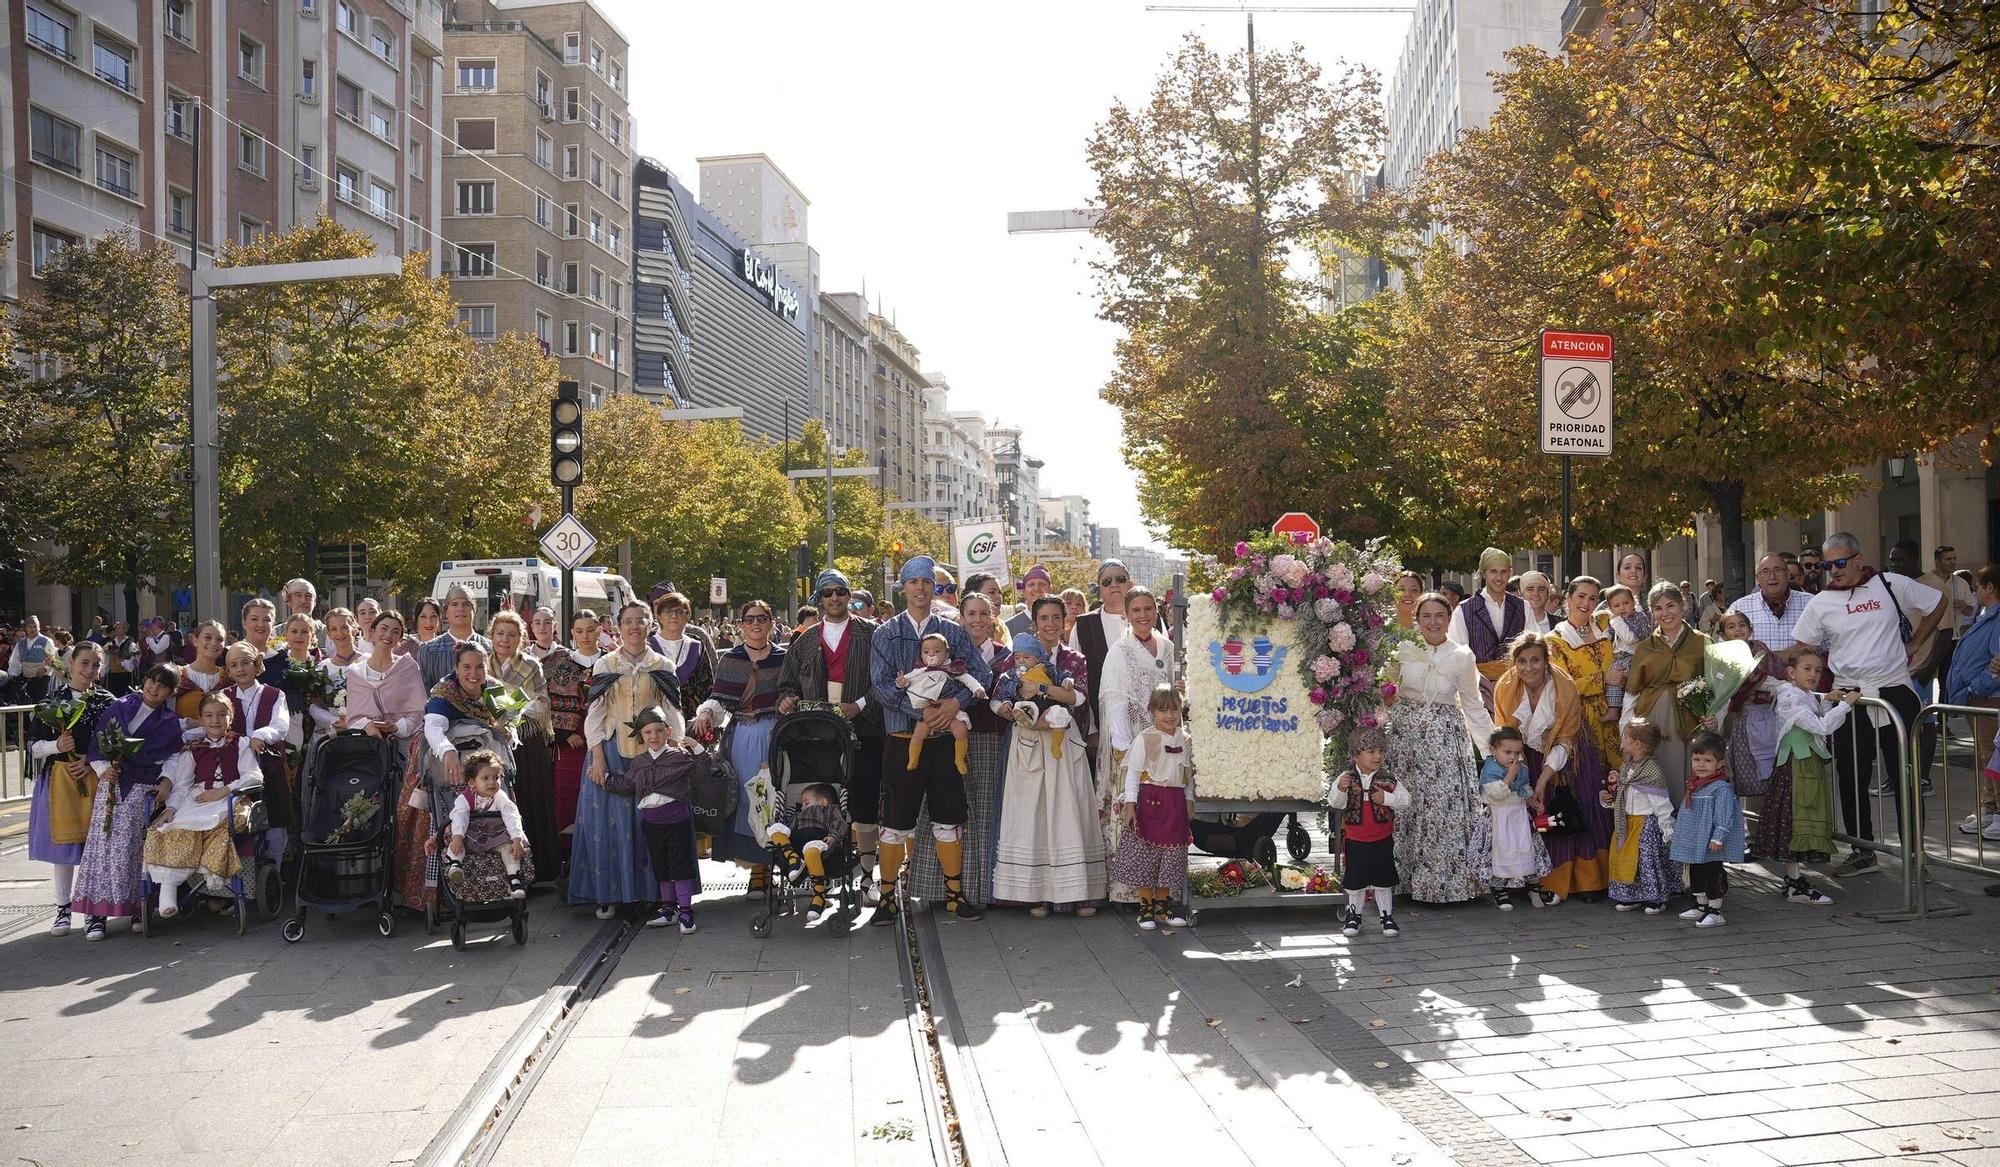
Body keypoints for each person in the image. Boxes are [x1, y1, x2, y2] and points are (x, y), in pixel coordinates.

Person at [1790, 532, 1947, 875]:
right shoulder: (1821, 602)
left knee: (1905, 776)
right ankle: (1863, 851)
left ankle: (1914, 856)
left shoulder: (1890, 584)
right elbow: (1803, 646)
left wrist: (1916, 643)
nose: (1834, 570)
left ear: (1859, 559)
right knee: (1850, 775)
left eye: (1840, 562)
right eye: (1828, 565)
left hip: (1894, 692)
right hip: (1850, 697)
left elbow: (1938, 603)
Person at [870, 555, 996, 923]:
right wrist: (921, 712)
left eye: (928, 582)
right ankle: (888, 897)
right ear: (903, 588)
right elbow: (880, 686)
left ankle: (955, 894)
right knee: (895, 821)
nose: (921, 588)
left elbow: (982, 674)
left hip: (944, 742)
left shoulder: (953, 631)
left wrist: (955, 702)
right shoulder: (885, 633)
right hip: (902, 735)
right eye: (913, 582)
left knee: (948, 815)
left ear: (935, 587)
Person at [778, 570, 887, 904]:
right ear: (819, 599)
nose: (835, 598)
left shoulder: (872, 634)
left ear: (849, 595)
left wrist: (861, 705)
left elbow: (884, 680)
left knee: (866, 802)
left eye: (842, 592)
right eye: (828, 593)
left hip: (866, 728)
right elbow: (787, 685)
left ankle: (868, 876)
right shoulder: (805, 640)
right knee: (829, 800)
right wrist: (787, 699)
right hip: (820, 735)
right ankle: (826, 868)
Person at [990, 595, 1102, 918]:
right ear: (1034, 622)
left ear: (1065, 620)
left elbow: (1078, 697)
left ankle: (1081, 892)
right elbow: (997, 698)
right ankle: (1036, 893)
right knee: (1033, 817)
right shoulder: (1017, 657)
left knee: (1069, 813)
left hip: (1064, 742)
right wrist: (1010, 710)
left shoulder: (1074, 659)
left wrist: (1040, 690)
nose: (1050, 624)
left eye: (1056, 617)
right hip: (1026, 741)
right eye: (1044, 618)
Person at [1384, 593, 1494, 904]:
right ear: (1416, 619)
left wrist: (1490, 750)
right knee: (1407, 805)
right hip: (1405, 741)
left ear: (1448, 620)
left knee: (1440, 809)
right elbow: (1385, 692)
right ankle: (1402, 881)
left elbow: (1473, 706)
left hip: (1445, 742)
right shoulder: (1401, 650)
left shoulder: (1462, 655)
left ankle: (1445, 885)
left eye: (1439, 616)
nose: (1433, 622)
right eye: (1426, 616)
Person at [909, 590, 1012, 915]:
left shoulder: (1003, 654)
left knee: (983, 811)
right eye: (971, 614)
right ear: (961, 618)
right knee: (943, 807)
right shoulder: (947, 656)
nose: (978, 620)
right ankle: (939, 887)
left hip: (988, 738)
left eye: (984, 614)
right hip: (945, 736)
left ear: (992, 618)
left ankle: (982, 888)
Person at [72, 664, 185, 940]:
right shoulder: (119, 706)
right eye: (151, 680)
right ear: (144, 680)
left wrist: (167, 781)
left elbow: (171, 756)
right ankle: (95, 914)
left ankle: (138, 906)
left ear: (170, 693)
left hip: (143, 787)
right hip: (111, 783)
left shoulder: (169, 722)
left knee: (137, 847)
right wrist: (102, 769)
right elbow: (97, 744)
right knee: (102, 846)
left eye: (162, 686)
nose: (154, 687)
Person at [394, 643, 510, 912]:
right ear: (455, 669)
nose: (473, 673)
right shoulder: (443, 693)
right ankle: (435, 894)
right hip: (440, 760)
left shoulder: (493, 688)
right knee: (433, 815)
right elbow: (433, 728)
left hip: (482, 760)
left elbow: (508, 721)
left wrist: (507, 731)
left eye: (479, 667)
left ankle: (495, 882)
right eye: (466, 667)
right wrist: (447, 752)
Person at [579, 603, 677, 916]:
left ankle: (653, 893)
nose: (634, 627)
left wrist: (672, 753)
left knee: (651, 824)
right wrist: (597, 757)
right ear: (618, 626)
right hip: (610, 751)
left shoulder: (662, 665)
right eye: (628, 622)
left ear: (650, 625)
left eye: (640, 621)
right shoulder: (605, 665)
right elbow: (595, 712)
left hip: (651, 754)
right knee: (608, 827)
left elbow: (672, 711)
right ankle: (610, 894)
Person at [1494, 633, 1608, 901]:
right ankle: (1531, 879)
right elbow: (1505, 736)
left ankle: (1586, 881)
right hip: (1525, 755)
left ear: (1546, 661)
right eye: (1521, 661)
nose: (1528, 667)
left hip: (1568, 753)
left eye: (1535, 660)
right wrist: (1520, 776)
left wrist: (1544, 780)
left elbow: (1565, 740)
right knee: (1536, 814)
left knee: (1572, 807)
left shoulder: (1563, 686)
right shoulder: (1505, 687)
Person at [27, 642, 119, 936]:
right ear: (71, 663)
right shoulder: (53, 700)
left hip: (98, 779)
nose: (89, 669)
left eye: (95, 664)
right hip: (59, 780)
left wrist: (90, 761)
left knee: (98, 848)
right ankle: (62, 910)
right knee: (63, 848)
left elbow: (115, 743)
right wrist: (58, 745)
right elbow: (33, 747)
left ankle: (96, 913)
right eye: (84, 663)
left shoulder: (108, 701)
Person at [1094, 584, 1178, 905]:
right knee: (1135, 812)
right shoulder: (1121, 650)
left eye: (1147, 609)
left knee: (1165, 814)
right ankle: (1130, 890)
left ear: (1155, 611)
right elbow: (1115, 701)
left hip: (1165, 741)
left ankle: (1164, 887)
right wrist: (1126, 750)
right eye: (1135, 611)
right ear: (1127, 615)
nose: (1143, 615)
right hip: (1132, 744)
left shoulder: (1168, 647)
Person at [1755, 646, 1857, 906]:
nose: (1813, 674)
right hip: (1796, 765)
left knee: (1797, 818)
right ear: (1791, 672)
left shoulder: (1802, 694)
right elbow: (1820, 725)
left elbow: (1811, 710)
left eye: (1818, 670)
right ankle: (1794, 883)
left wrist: (1826, 699)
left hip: (1804, 762)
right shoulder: (1790, 696)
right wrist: (1844, 705)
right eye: (1807, 669)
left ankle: (1794, 880)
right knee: (1796, 819)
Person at [144, 691, 260, 918]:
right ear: (201, 718)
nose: (215, 721)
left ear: (231, 716)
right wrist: (170, 809)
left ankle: (213, 872)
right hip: (198, 798)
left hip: (230, 796)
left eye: (221, 715)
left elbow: (254, 776)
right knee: (173, 827)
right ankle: (168, 891)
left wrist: (224, 790)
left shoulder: (240, 743)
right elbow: (182, 784)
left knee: (220, 822)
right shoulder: (193, 747)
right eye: (208, 716)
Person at [693, 599, 786, 881]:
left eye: (761, 618)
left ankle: (776, 864)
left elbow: (794, 693)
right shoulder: (731, 659)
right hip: (743, 736)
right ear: (741, 625)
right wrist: (706, 713)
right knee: (747, 801)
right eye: (749, 619)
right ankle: (757, 871)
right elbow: (720, 700)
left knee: (775, 800)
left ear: (771, 623)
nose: (756, 624)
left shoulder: (784, 658)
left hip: (777, 736)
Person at [610, 705, 708, 932]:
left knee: (680, 867)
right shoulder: (639, 763)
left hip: (677, 822)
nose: (653, 736)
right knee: (661, 868)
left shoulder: (680, 758)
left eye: (658, 731)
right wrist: (604, 779)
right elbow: (625, 785)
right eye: (647, 732)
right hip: (652, 824)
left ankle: (685, 912)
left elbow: (703, 774)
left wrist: (697, 748)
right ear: (641, 736)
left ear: (669, 731)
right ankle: (668, 909)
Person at [1622, 583, 1713, 803]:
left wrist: (1715, 717)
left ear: (1682, 605)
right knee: (1654, 776)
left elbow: (1716, 685)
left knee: (1687, 776)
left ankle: (1686, 830)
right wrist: (1626, 731)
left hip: (1690, 722)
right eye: (1658, 608)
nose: (1665, 613)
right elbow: (1632, 692)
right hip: (1651, 720)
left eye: (1670, 605)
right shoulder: (1645, 647)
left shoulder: (1703, 642)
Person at [1113, 684, 1193, 930]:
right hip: (1151, 801)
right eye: (1162, 710)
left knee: (1171, 857)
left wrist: (1189, 800)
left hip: (1175, 803)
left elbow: (1187, 774)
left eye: (1173, 709)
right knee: (1146, 858)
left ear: (1181, 710)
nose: (1169, 716)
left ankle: (1162, 908)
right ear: (1152, 712)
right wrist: (1130, 806)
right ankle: (1145, 909)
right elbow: (1133, 774)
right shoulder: (1144, 739)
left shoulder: (1186, 739)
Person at [487, 611, 560, 879]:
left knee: (529, 803)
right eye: (500, 634)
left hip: (526, 744)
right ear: (491, 635)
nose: (505, 639)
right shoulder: (481, 665)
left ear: (521, 638)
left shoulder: (531, 665)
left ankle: (537, 871)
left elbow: (541, 704)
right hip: (489, 743)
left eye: (512, 635)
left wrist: (506, 708)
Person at [1331, 726, 1408, 937]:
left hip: (1382, 839)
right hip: (1355, 840)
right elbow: (1336, 804)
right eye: (1371, 751)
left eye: (1381, 751)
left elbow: (1406, 799)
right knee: (1355, 880)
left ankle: (1387, 916)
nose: (1378, 756)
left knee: (1383, 879)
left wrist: (1388, 799)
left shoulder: (1388, 779)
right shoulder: (1345, 778)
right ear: (1356, 755)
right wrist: (1340, 789)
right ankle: (1354, 915)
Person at [1602, 719, 1680, 912]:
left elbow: (1660, 803)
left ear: (1637, 744)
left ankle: (1655, 898)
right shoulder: (1627, 766)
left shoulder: (1651, 772)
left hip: (1646, 824)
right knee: (1626, 859)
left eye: (1626, 737)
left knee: (1646, 860)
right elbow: (1624, 793)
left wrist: (1668, 828)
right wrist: (1610, 799)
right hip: (1628, 822)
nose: (1623, 740)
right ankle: (1632, 895)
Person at [542, 609, 602, 863]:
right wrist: (564, 734)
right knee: (566, 794)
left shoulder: (610, 662)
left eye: (590, 630)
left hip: (603, 736)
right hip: (570, 742)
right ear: (571, 633)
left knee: (601, 791)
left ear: (599, 630)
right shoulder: (559, 664)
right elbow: (548, 702)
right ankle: (566, 855)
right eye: (579, 631)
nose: (585, 636)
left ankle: (599, 848)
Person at [1670, 731, 1745, 928]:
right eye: (1696, 759)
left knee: (1712, 873)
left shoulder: (1720, 788)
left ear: (1719, 763)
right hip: (1696, 840)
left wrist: (1719, 837)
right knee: (1696, 871)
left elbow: (1724, 814)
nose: (1701, 764)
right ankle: (1700, 906)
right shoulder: (1696, 785)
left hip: (1710, 841)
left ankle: (1715, 910)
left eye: (1707, 760)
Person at [1946, 565, 2000, 841]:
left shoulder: (1997, 618)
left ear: (1990, 588)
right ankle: (1990, 808)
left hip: (1988, 698)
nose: (1974, 591)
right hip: (1978, 697)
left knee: (1993, 756)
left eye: (1977, 587)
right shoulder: (1986, 616)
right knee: (1985, 757)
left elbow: (1997, 664)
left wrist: (1975, 687)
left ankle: (1997, 811)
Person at [1915, 544, 1976, 787]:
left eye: (1954, 558)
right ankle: (1932, 719)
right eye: (1948, 558)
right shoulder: (1926, 582)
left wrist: (1964, 606)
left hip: (1953, 639)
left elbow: (1972, 608)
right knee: (1930, 682)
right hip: (1933, 640)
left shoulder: (1960, 583)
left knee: (1948, 679)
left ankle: (1944, 720)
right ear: (1937, 560)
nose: (1952, 562)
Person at [1448, 547, 1531, 712]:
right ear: (1484, 574)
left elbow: (1532, 648)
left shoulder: (1523, 607)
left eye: (1503, 572)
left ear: (1510, 573)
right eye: (1493, 571)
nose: (1499, 578)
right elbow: (1458, 656)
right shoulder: (1465, 610)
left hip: (1518, 691)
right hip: (1478, 693)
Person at [442, 749, 531, 902]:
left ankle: (514, 879)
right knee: (455, 843)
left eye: (496, 777)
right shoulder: (465, 798)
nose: (492, 782)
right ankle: (455, 864)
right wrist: (458, 836)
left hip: (495, 834)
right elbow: (459, 817)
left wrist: (516, 839)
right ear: (472, 783)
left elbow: (512, 815)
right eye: (485, 778)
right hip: (470, 833)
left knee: (509, 848)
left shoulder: (500, 796)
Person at [1479, 726, 1552, 910]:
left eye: (1517, 753)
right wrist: (1509, 776)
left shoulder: (1521, 769)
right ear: (1493, 751)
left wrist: (1532, 801)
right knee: (1499, 852)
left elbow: (1523, 789)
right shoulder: (1490, 770)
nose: (1512, 757)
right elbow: (1494, 794)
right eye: (1507, 752)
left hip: (1519, 817)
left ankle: (1533, 887)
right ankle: (1500, 890)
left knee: (1526, 849)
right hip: (1499, 819)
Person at [1716, 610, 1785, 804]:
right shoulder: (1723, 658)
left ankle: (1772, 825)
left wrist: (1780, 687)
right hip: (1742, 719)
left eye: (1742, 625)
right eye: (1731, 626)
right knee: (1749, 773)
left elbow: (1774, 675)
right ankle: (1753, 828)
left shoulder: (1760, 649)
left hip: (1769, 715)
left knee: (1772, 772)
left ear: (1750, 629)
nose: (1738, 629)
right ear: (1722, 634)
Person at [1069, 560, 1131, 773]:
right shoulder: (1084, 625)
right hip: (1101, 729)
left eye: (1120, 579)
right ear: (1100, 590)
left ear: (1129, 584)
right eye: (1107, 581)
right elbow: (1078, 681)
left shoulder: (1147, 617)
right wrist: (1091, 729)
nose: (1114, 584)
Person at [895, 632, 985, 774]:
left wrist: (977, 688)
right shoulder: (920, 670)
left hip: (952, 710)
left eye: (937, 651)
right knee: (918, 733)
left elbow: (968, 679)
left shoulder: (953, 669)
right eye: (926, 652)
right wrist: (902, 682)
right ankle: (913, 759)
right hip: (928, 710)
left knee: (961, 730)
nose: (931, 655)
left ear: (947, 653)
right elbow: (908, 679)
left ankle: (959, 759)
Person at [767, 779, 849, 926]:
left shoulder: (830, 810)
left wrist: (834, 836)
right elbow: (789, 828)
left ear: (823, 802)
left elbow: (840, 824)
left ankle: (819, 895)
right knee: (775, 829)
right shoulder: (798, 815)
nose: (803, 806)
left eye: (806, 802)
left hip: (819, 841)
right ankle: (793, 858)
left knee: (811, 849)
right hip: (798, 841)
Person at [418, 585, 493, 690]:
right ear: (446, 611)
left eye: (466, 604)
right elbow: (423, 692)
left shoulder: (490, 648)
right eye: (454, 604)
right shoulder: (429, 650)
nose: (460, 609)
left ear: (474, 610)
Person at [1598, 585, 1643, 720]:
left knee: (1629, 688)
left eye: (1626, 603)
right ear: (1611, 609)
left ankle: (1620, 710)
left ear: (1634, 602)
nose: (1622, 608)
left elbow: (1629, 638)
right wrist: (1603, 637)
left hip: (1633, 657)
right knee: (1614, 679)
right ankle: (1614, 708)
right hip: (1620, 657)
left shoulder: (1637, 618)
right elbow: (1609, 634)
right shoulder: (1618, 621)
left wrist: (1616, 621)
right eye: (1617, 606)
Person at [7, 615, 57, 702]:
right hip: (26, 678)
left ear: (39, 627)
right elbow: (14, 661)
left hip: (42, 679)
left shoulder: (46, 641)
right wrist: (12, 675)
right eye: (30, 627)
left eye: (35, 627)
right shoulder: (21, 643)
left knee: (39, 703)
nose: (32, 629)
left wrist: (45, 669)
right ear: (26, 628)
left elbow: (54, 658)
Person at [1007, 565, 1054, 639]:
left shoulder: (1061, 623)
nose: (1036, 588)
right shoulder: (1010, 626)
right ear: (1023, 591)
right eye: (1031, 584)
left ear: (1050, 589)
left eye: (1042, 584)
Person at [102, 622, 138, 697]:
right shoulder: (110, 643)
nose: (116, 630)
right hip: (112, 676)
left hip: (125, 675)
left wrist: (122, 663)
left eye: (119, 628)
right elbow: (105, 659)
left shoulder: (130, 643)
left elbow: (134, 660)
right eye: (116, 628)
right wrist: (103, 672)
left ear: (125, 630)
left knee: (125, 697)